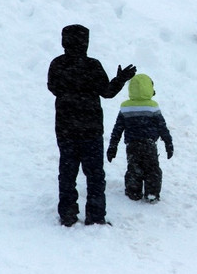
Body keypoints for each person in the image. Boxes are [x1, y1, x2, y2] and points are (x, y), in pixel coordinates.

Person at [48, 24, 136, 227]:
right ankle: (96, 217)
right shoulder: (92, 66)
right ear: (86, 43)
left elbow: (53, 87)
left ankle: (68, 215)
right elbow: (107, 92)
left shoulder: (57, 64)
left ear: (64, 42)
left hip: (65, 129)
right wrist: (121, 79)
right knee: (95, 175)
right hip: (91, 130)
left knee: (67, 174)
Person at [106, 73, 174, 203]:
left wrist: (112, 147)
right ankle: (152, 193)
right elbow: (162, 127)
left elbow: (118, 129)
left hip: (132, 145)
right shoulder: (152, 106)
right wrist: (168, 143)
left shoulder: (126, 107)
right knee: (152, 169)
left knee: (134, 168)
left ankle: (133, 192)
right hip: (149, 144)